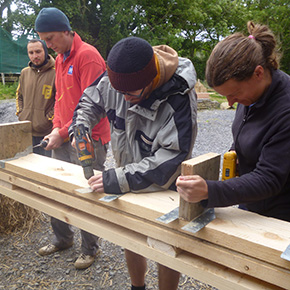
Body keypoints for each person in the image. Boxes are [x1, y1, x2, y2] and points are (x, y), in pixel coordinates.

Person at [69, 36, 198, 290]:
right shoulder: (118, 80)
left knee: (167, 245)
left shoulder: (178, 96)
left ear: (150, 81)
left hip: (165, 186)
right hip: (126, 173)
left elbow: (170, 161)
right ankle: (137, 287)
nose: (123, 98)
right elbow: (89, 100)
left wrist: (115, 180)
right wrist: (80, 126)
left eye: (130, 93)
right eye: (119, 92)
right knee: (130, 237)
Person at [176, 21, 290, 224]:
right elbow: (250, 132)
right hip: (253, 202)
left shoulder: (285, 110)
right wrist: (237, 151)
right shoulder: (253, 94)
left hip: (280, 217)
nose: (230, 103)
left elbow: (270, 178)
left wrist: (209, 190)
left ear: (258, 73)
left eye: (234, 94)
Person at [34, 7, 111, 270]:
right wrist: (56, 128)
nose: (48, 44)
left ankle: (90, 247)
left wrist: (62, 132)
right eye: (44, 39)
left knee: (88, 191)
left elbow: (92, 107)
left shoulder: (87, 56)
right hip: (64, 135)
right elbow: (61, 100)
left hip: (90, 137)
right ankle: (62, 238)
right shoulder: (59, 59)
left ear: (67, 31)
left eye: (51, 37)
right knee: (59, 187)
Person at [16, 39, 55, 157]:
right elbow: (19, 95)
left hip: (47, 134)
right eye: (31, 53)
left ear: (45, 51)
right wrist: (21, 113)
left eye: (38, 51)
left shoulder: (56, 72)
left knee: (47, 169)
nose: (35, 56)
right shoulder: (24, 73)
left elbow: (60, 99)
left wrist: (48, 118)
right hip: (26, 131)